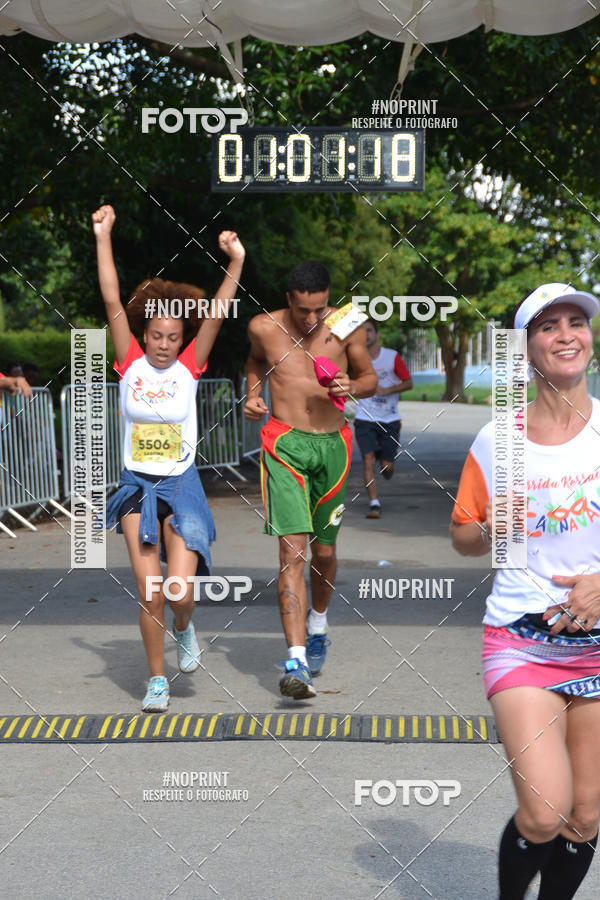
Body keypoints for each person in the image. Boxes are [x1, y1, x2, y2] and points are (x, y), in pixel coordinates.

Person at [450, 282, 600, 899]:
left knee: (585, 817)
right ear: (526, 350)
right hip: (521, 638)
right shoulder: (498, 441)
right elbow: (462, 533)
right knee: (543, 813)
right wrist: (486, 530)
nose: (567, 333)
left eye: (576, 322)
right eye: (548, 326)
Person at [94, 204, 245, 712]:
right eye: (155, 336)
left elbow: (220, 310)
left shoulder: (189, 369)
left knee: (179, 592)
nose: (162, 345)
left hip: (181, 485)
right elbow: (112, 296)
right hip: (137, 486)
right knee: (151, 591)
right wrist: (104, 235)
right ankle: (155, 681)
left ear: (184, 342)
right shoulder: (129, 363)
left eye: (172, 339)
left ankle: (186, 626)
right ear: (143, 335)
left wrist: (235, 262)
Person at [244, 261, 377, 699]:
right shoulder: (262, 327)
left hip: (333, 446)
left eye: (319, 308)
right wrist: (253, 395)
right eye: (303, 310)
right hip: (283, 444)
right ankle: (296, 660)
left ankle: (318, 621)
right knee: (291, 551)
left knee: (325, 551)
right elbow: (255, 365)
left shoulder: (348, 323)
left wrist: (350, 386)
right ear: (288, 300)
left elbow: (370, 378)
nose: (312, 319)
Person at [353, 318, 413, 518]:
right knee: (368, 459)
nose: (366, 334)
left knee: (387, 468)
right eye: (362, 331)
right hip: (364, 418)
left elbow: (408, 382)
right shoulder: (355, 358)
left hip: (389, 419)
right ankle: (374, 503)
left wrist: (388, 390)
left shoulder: (391, 357)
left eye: (369, 330)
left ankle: (385, 459)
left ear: (377, 334)